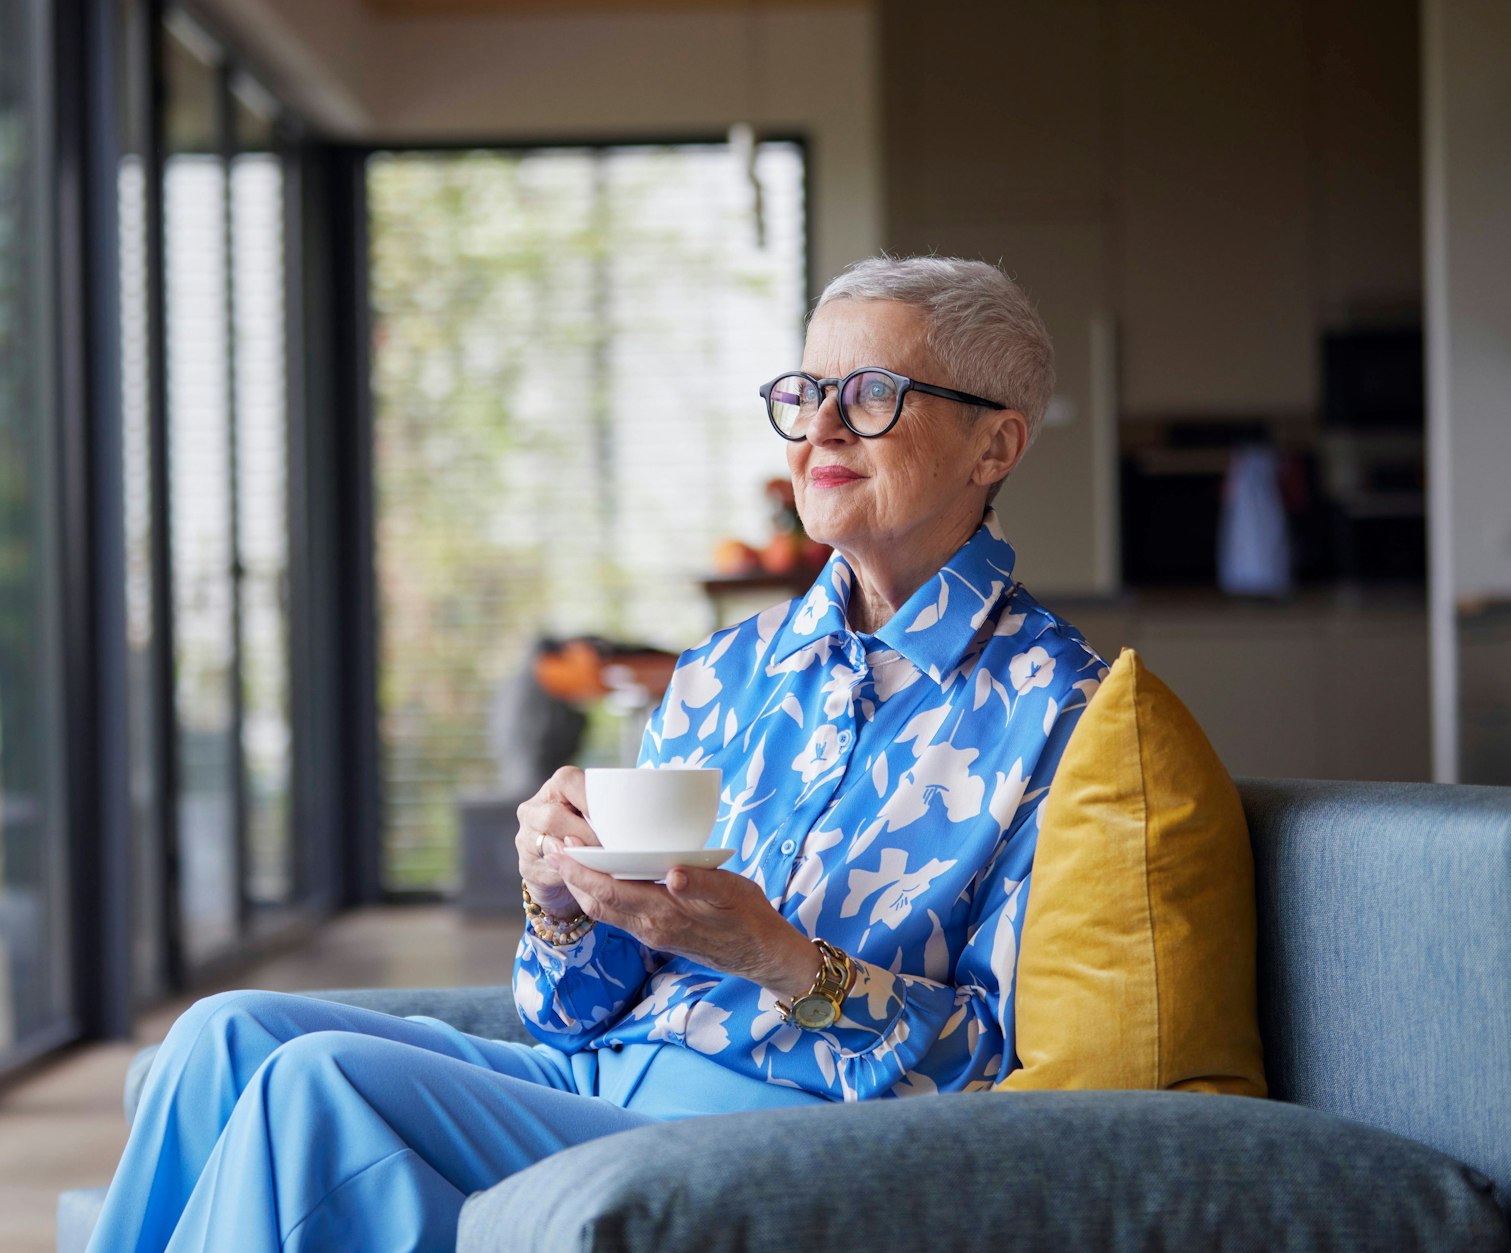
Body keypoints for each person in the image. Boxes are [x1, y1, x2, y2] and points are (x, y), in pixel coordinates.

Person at [84, 255, 1107, 1252]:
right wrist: (561, 899)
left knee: (320, 1085)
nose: (820, 427)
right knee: (221, 1035)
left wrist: (772, 954)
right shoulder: (725, 671)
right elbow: (564, 1013)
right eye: (803, 392)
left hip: (777, 1133)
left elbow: (998, 1076)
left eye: (872, 392)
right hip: (597, 1079)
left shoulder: (1060, 712)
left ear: (994, 445)